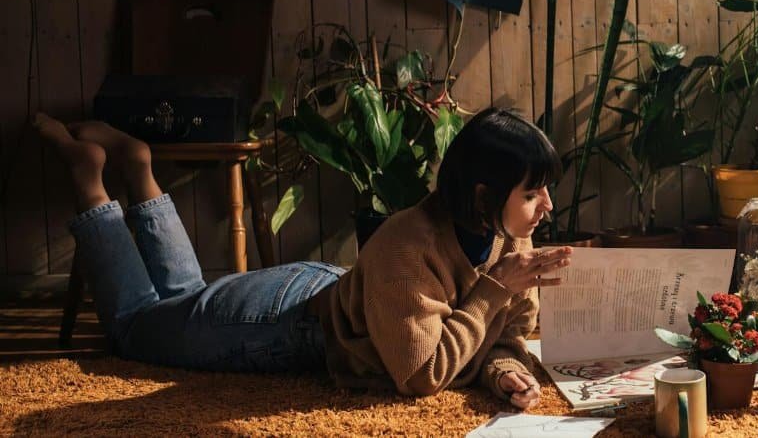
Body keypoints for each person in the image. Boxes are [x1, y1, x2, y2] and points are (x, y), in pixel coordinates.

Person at [34, 107, 571, 410]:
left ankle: (138, 169)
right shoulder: (408, 245)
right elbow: (421, 374)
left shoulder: (507, 232)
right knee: (134, 330)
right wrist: (495, 289)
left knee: (181, 304)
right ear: (482, 196)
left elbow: (504, 335)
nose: (546, 205)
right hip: (284, 321)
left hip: (344, 295)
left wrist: (504, 370)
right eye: (532, 193)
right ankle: (88, 179)